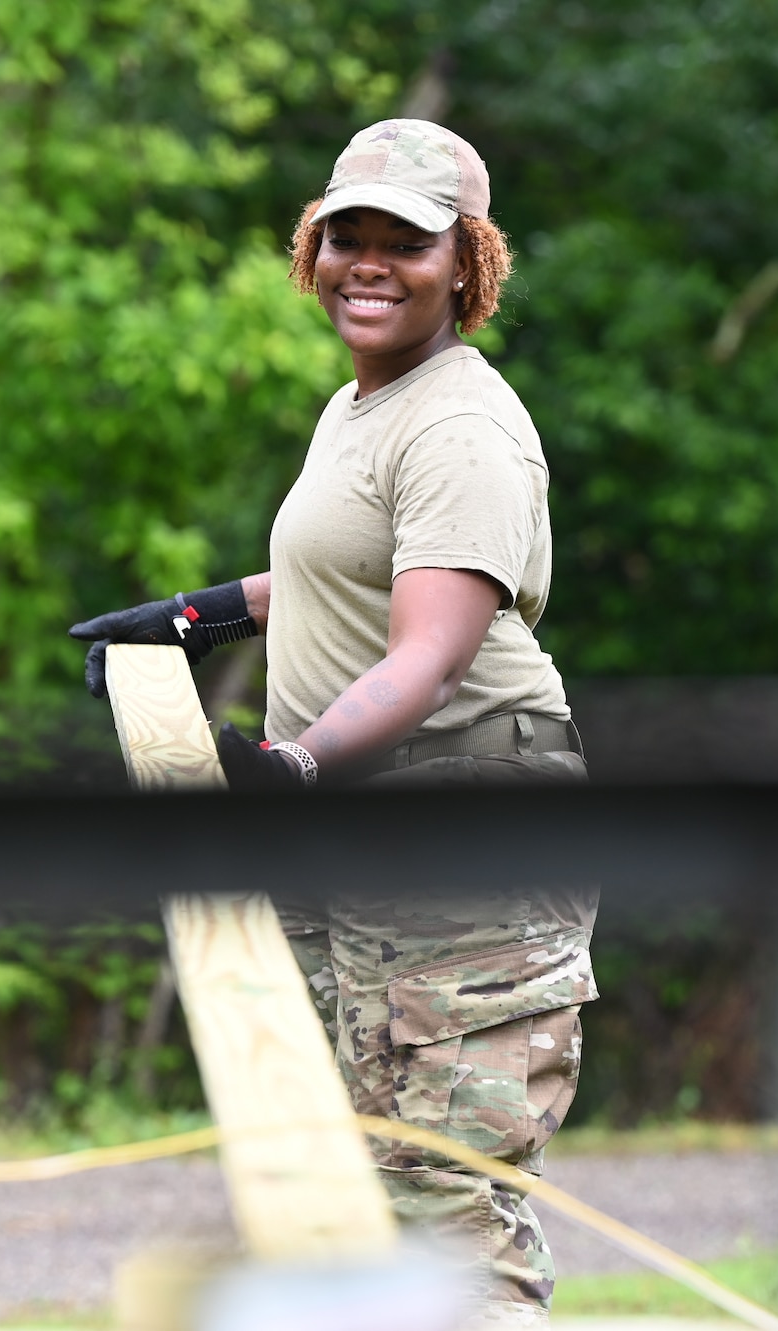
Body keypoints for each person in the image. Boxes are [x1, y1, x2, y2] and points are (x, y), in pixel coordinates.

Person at [68, 119, 597, 1326]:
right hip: (360, 831)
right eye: (343, 236)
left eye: (403, 243)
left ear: (466, 263)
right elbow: (344, 574)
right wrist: (200, 614)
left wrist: (293, 762)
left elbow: (426, 647)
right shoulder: (361, 405)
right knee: (342, 1184)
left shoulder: (459, 423)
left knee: (443, 1203)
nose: (367, 263)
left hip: (463, 843)